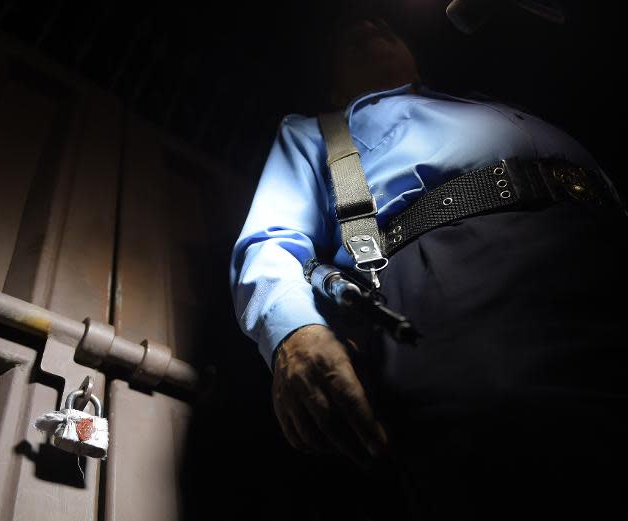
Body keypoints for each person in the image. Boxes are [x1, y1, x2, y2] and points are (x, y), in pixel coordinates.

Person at [229, 6, 628, 521]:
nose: (371, 29)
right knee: (522, 450)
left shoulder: (485, 102)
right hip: (461, 278)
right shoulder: (317, 129)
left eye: (383, 27)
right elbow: (271, 240)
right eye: (352, 37)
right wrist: (293, 332)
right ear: (331, 84)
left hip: (601, 248)